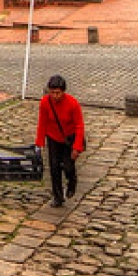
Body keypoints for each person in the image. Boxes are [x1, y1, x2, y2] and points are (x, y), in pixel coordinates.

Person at [36, 75, 86, 208]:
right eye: (52, 92)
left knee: (68, 166)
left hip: (69, 137)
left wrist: (77, 147)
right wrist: (39, 142)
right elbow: (42, 123)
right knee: (54, 167)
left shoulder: (72, 103)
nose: (55, 96)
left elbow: (79, 125)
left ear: (63, 91)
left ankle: (72, 181)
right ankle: (58, 196)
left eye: (58, 93)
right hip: (53, 137)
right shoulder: (45, 102)